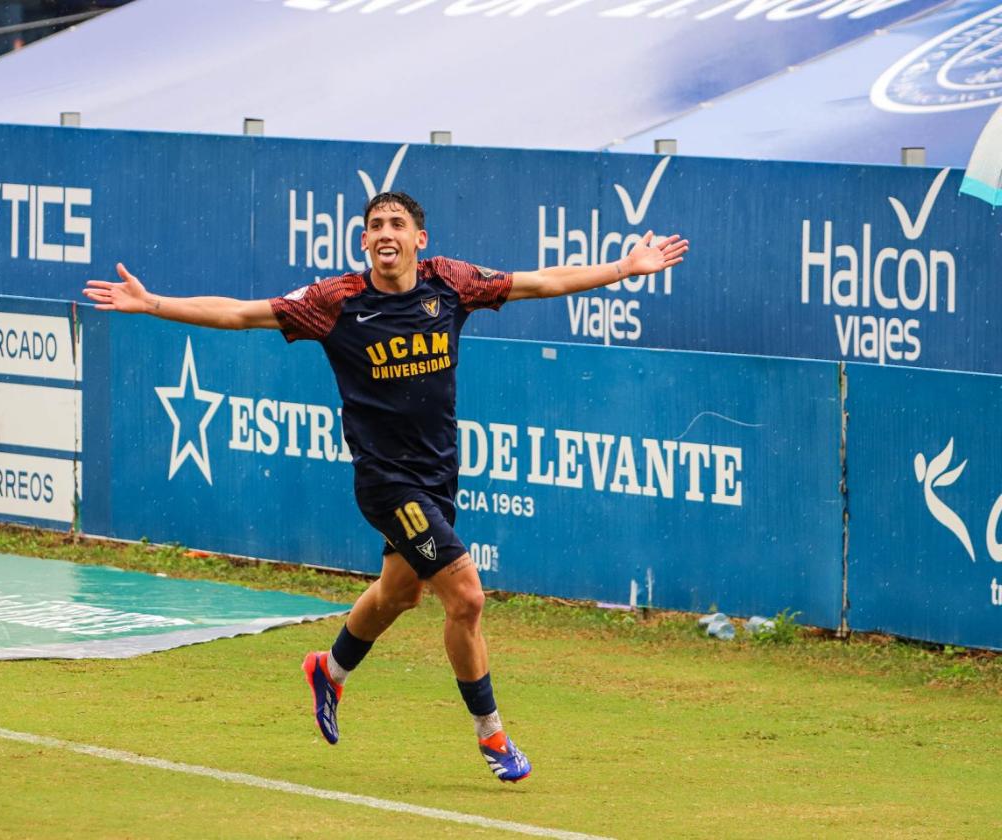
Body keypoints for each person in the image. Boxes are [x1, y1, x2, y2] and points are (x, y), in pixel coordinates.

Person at [84, 191, 688, 783]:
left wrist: (624, 269)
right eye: (374, 226)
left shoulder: (450, 283)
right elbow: (242, 314)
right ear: (364, 241)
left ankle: (329, 669)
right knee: (467, 598)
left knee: (399, 593)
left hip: (437, 474)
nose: (384, 234)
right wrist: (153, 302)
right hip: (385, 481)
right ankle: (493, 735)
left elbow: (538, 283)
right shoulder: (335, 301)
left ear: (419, 240)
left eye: (396, 224)